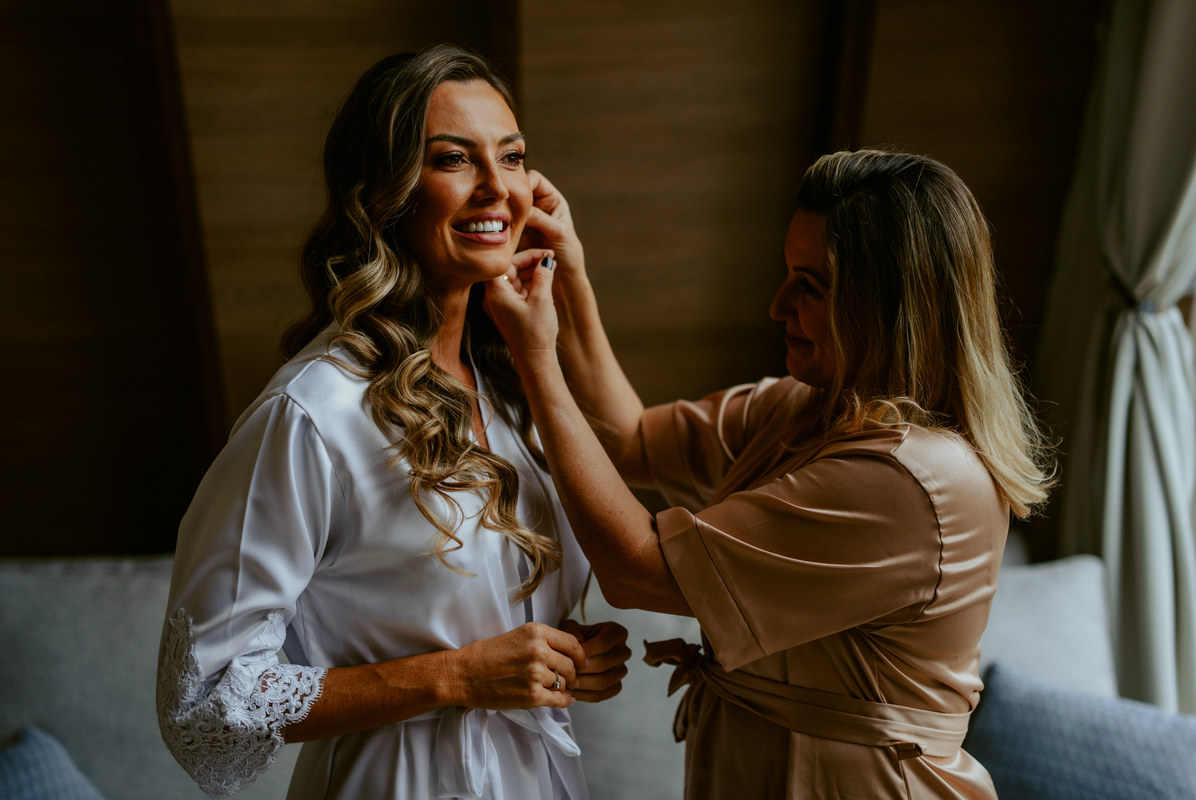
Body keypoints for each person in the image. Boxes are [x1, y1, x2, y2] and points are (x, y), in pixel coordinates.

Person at [484, 149, 1054, 799]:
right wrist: (571, 277)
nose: (777, 306)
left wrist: (536, 360)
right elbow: (629, 440)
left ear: (889, 309)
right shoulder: (805, 409)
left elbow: (635, 569)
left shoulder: (910, 482)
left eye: (809, 286)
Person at [155, 45, 630, 800]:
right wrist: (455, 675)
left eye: (512, 158)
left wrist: (561, 654)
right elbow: (207, 703)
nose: (497, 190)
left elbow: (631, 484)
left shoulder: (516, 394)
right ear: (385, 193)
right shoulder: (313, 414)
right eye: (453, 160)